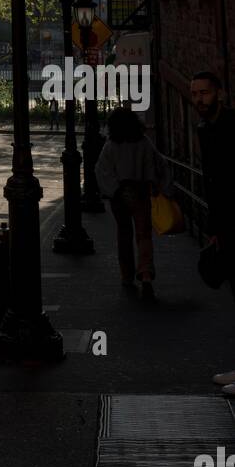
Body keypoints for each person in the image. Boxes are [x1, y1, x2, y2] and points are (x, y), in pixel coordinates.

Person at [95, 106, 172, 302]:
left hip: (120, 194)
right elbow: (159, 162)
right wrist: (157, 184)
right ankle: (146, 274)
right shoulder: (143, 142)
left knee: (124, 234)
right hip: (140, 191)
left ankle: (127, 275)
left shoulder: (111, 145)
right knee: (144, 234)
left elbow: (101, 169)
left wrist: (114, 190)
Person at [190, 71, 235, 397]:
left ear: (218, 93)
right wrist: (215, 228)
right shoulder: (204, 128)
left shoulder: (230, 126)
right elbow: (214, 182)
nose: (199, 99)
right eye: (194, 94)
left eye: (204, 93)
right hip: (225, 224)